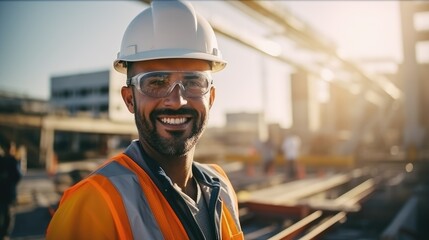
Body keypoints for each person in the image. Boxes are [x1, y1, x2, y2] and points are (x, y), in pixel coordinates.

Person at [46, 1, 243, 239]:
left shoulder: (220, 186)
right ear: (129, 99)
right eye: (156, 82)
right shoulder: (92, 204)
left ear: (210, 97)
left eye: (193, 82)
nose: (177, 100)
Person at [0, 139, 22, 240]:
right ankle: (5, 234)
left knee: (5, 214)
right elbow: (18, 176)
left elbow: (18, 176)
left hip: (5, 192)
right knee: (8, 214)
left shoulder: (3, 160)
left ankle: (4, 234)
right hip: (8, 192)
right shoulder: (12, 161)